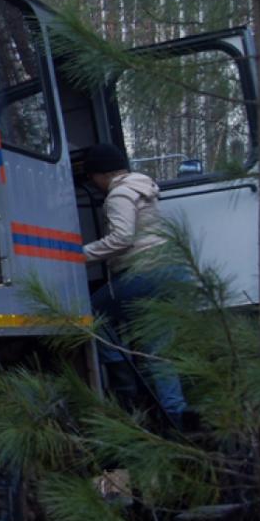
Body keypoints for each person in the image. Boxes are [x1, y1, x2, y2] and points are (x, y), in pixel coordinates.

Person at [80, 142, 188, 426]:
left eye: (92, 177)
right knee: (158, 348)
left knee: (93, 313)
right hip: (172, 271)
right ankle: (175, 416)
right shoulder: (144, 188)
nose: (94, 183)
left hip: (146, 272)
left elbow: (122, 238)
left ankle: (126, 392)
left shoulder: (118, 194)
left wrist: (80, 255)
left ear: (102, 175)